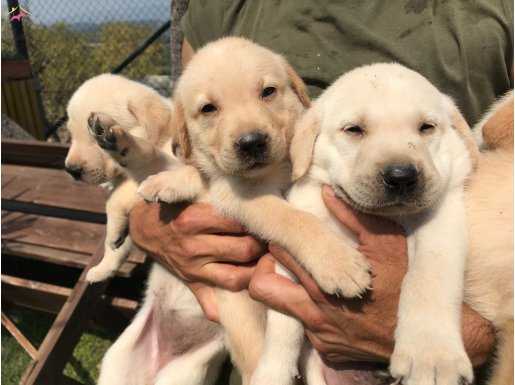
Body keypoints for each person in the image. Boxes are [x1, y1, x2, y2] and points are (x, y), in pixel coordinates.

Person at [129, 1, 512, 383]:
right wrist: (149, 219)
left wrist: (471, 331)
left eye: (268, 93)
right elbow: (188, 139)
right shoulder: (223, 6)